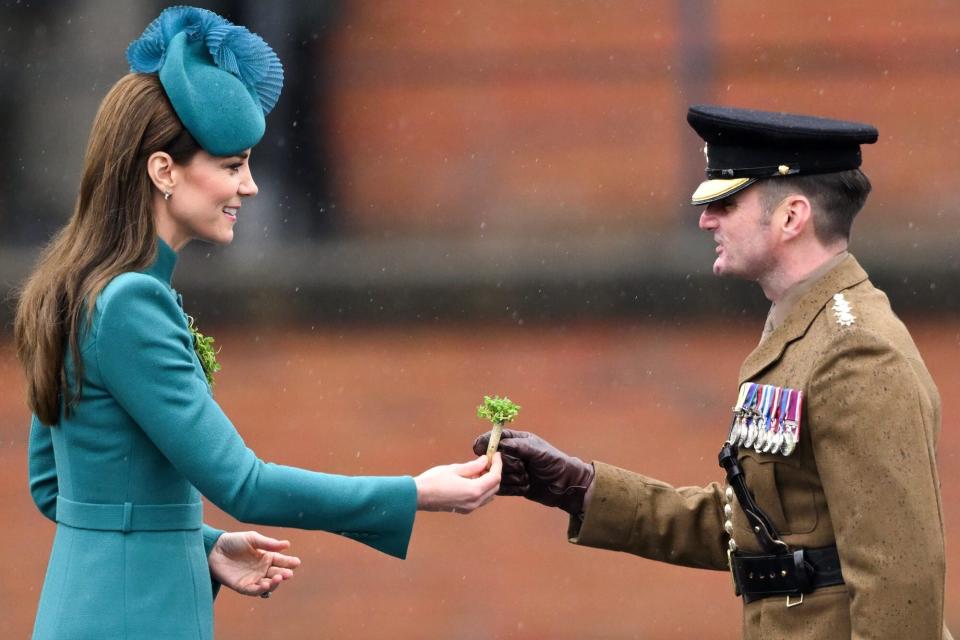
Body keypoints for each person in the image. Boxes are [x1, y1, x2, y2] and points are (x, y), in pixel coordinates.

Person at [15, 7, 501, 640]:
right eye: (230, 165)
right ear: (164, 171)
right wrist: (415, 492)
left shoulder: (78, 285)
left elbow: (56, 488)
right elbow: (245, 484)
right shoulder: (132, 303)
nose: (249, 187)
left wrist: (202, 545)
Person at [475, 105, 952, 639]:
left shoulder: (855, 350)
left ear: (791, 217)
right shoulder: (803, 333)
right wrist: (581, 488)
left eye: (726, 202)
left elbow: (901, 573)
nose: (706, 219)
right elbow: (753, 526)